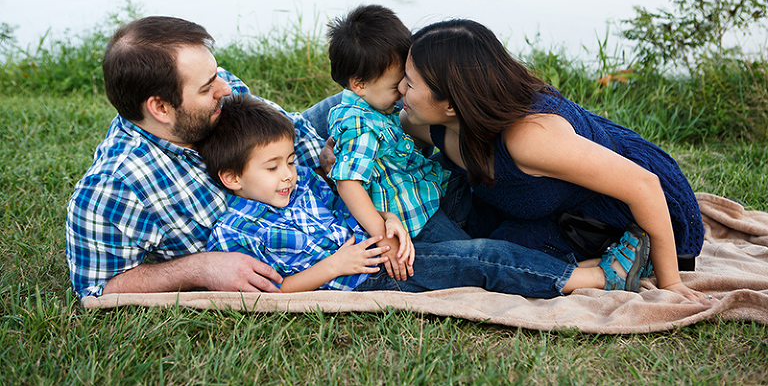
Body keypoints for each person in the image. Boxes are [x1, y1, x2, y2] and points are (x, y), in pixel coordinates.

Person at [198, 93, 652, 296]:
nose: (288, 175)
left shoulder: (304, 187)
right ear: (232, 177)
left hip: (381, 244)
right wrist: (333, 267)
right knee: (477, 260)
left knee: (475, 247)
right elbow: (267, 292)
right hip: (367, 277)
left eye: (291, 162)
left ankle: (574, 268)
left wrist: (386, 216)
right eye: (273, 168)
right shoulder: (237, 231)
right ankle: (595, 280)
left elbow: (346, 201)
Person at [398, 19, 710, 304]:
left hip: (614, 210)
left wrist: (670, 285)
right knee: (473, 241)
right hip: (542, 202)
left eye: (409, 84)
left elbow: (644, 185)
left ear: (452, 104)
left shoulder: (529, 138)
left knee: (499, 261)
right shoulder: (424, 122)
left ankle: (617, 269)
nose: (400, 90)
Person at [65, 16, 333, 298]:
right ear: (161, 108)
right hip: (289, 228)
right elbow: (96, 288)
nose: (225, 88)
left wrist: (324, 156)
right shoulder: (115, 187)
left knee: (374, 80)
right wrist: (198, 269)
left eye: (216, 74)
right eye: (207, 88)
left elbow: (289, 129)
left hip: (290, 169)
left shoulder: (217, 88)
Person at [325, 4, 453, 280]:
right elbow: (349, 182)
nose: (403, 91)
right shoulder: (359, 124)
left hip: (423, 197)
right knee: (469, 252)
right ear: (359, 84)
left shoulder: (376, 107)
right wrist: (383, 236)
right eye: (396, 86)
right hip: (413, 222)